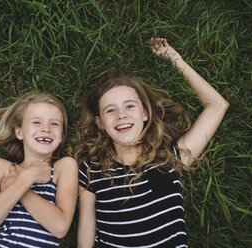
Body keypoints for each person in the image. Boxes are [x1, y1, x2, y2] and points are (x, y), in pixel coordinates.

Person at [75, 38, 229, 247]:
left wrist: (175, 60)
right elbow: (86, 234)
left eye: (129, 106)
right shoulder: (91, 171)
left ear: (145, 114)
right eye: (110, 110)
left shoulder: (173, 159)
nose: (121, 114)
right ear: (100, 123)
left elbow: (217, 105)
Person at [0, 92, 78, 248]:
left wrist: (20, 186)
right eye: (37, 122)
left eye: (54, 124)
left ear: (61, 137)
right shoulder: (1, 167)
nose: (46, 128)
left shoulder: (64, 167)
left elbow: (60, 228)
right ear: (19, 132)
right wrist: (26, 178)